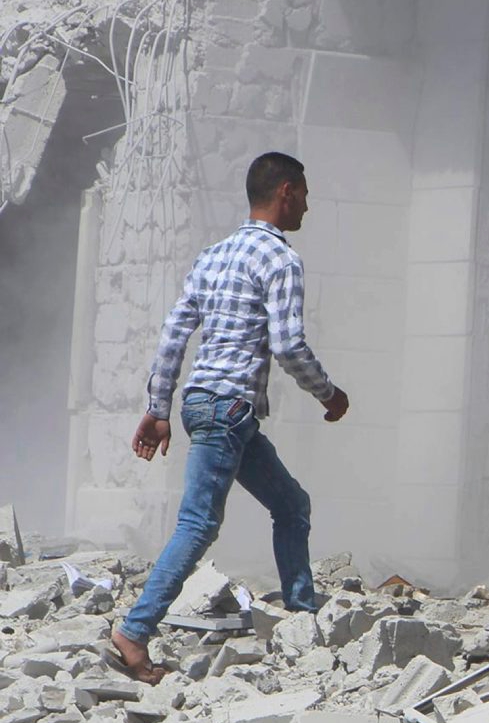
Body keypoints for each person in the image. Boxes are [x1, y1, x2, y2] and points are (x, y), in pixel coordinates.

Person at [108, 152, 349, 682]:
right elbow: (287, 345)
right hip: (230, 407)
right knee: (198, 525)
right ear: (286, 192)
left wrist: (159, 407)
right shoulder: (281, 260)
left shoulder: (213, 255)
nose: (308, 205)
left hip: (205, 406)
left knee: (292, 505)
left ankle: (301, 618)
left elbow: (175, 334)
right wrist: (329, 393)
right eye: (304, 194)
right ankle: (133, 631)